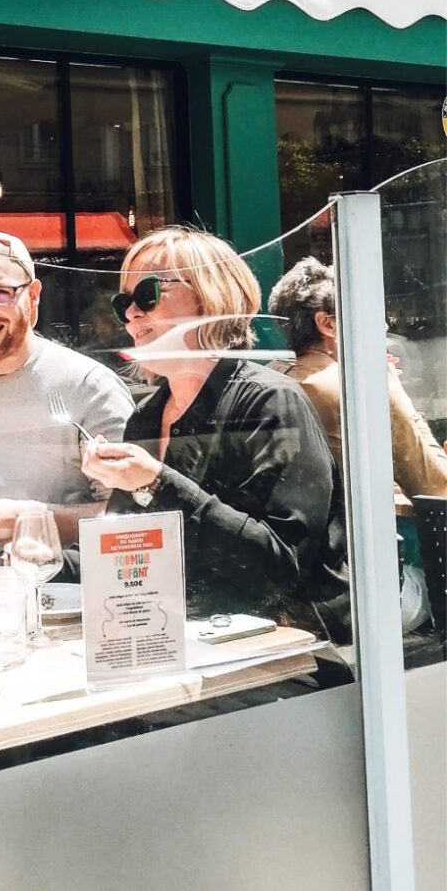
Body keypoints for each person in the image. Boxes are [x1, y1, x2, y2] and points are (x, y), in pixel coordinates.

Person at [81, 226, 348, 633]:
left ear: (209, 297)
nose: (132, 314)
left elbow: (282, 566)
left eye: (148, 294)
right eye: (123, 303)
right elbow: (126, 553)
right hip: (184, 635)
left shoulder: (269, 401)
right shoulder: (147, 417)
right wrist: (37, 552)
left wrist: (155, 483)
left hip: (287, 643)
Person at [0, 232, 133, 554]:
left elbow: (131, 519)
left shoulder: (90, 385)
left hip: (68, 578)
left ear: (33, 295)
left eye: (0, 293)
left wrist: (26, 519)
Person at [268, 256, 447, 498]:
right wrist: (395, 392)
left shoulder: (273, 375)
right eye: (368, 316)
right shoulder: (358, 387)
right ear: (327, 324)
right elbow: (438, 488)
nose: (382, 328)